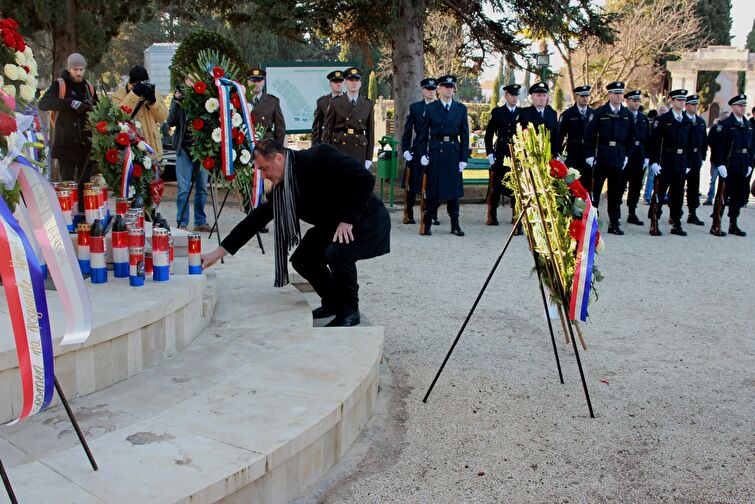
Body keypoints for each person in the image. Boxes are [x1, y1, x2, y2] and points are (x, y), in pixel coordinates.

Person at [200, 140, 391, 327]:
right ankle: (333, 303)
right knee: (304, 259)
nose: (264, 175)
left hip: (366, 219)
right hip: (334, 224)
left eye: (264, 168)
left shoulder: (320, 156)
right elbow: (254, 221)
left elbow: (365, 179)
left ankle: (350, 312)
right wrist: (217, 254)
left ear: (279, 158)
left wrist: (348, 220)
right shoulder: (283, 189)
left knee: (338, 252)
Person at [414, 75, 469, 237]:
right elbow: (423, 135)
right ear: (439, 89)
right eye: (445, 86)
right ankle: (428, 222)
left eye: (451, 86)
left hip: (453, 152)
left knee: (454, 192)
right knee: (433, 190)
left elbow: (465, 135)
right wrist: (423, 153)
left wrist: (463, 158)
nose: (449, 89)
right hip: (437, 152)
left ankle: (455, 224)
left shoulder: (460, 108)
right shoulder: (431, 108)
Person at [39, 52, 98, 188]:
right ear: (69, 69)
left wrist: (91, 107)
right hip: (66, 144)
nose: (78, 73)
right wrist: (70, 103)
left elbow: (98, 108)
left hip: (86, 146)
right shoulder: (59, 85)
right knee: (67, 185)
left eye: (81, 69)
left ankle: (83, 209)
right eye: (75, 69)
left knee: (85, 186)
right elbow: (44, 103)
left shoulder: (88, 87)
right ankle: (69, 209)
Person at [583, 81, 635, 235]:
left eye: (621, 93)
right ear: (609, 95)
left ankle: (614, 222)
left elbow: (631, 139)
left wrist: (626, 155)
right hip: (602, 155)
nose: (619, 96)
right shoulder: (599, 113)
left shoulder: (627, 115)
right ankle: (592, 220)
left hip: (618, 155)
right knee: (595, 190)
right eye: (615, 93)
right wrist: (589, 156)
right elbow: (589, 136)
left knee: (615, 192)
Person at [646, 89, 693, 236]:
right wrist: (654, 161)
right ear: (672, 101)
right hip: (665, 160)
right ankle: (655, 220)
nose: (682, 102)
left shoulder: (687, 121)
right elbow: (654, 142)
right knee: (660, 192)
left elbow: (690, 144)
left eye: (683, 100)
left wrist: (689, 163)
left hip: (681, 161)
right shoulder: (663, 120)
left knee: (678, 194)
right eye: (679, 99)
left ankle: (677, 222)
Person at [167, 79, 210, 231]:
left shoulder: (205, 97)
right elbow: (170, 121)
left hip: (201, 150)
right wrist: (177, 100)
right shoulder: (179, 99)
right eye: (188, 81)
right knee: (183, 188)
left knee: (202, 187)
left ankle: (200, 221)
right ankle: (182, 222)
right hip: (184, 149)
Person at [710, 94, 753, 236]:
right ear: (733, 107)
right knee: (723, 195)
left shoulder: (748, 125)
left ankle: (733, 223)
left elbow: (751, 147)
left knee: (739, 195)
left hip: (742, 163)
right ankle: (716, 223)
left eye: (744, 105)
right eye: (740, 105)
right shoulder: (726, 124)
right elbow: (718, 146)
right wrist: (720, 164)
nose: (742, 107)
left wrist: (749, 164)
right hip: (729, 164)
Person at [401, 77, 437, 225]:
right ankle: (408, 212)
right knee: (412, 182)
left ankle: (432, 213)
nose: (431, 92)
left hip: (435, 149)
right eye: (428, 89)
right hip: (418, 149)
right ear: (423, 91)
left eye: (433, 89)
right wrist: (406, 149)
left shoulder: (440, 107)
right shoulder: (416, 108)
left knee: (434, 183)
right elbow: (408, 131)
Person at [484, 83, 522, 226]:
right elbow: (488, 135)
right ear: (506, 96)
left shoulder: (521, 113)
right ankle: (492, 215)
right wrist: (490, 153)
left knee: (516, 185)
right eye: (512, 95)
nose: (514, 98)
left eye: (516, 95)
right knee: (497, 185)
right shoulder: (498, 112)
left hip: (516, 154)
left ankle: (515, 214)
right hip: (501, 152)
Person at [322, 67, 375, 167]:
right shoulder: (335, 103)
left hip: (359, 149)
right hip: (339, 147)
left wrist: (369, 157)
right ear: (345, 82)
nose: (354, 83)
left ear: (360, 83)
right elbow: (327, 131)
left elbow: (370, 133)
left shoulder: (367, 104)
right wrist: (325, 153)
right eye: (351, 80)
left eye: (357, 80)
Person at [112, 65, 167, 161]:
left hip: (154, 152)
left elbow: (163, 117)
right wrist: (133, 95)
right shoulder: (120, 94)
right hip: (132, 153)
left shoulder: (153, 92)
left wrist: (153, 102)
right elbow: (119, 116)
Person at [557, 85, 594, 193]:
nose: (585, 98)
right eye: (582, 96)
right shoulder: (568, 114)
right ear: (576, 97)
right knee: (572, 183)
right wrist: (559, 154)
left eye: (587, 96)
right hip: (573, 152)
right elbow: (560, 136)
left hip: (588, 154)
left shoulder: (593, 114)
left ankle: (587, 208)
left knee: (587, 184)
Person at [622, 89, 650, 226]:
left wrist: (647, 157)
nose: (637, 103)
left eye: (638, 100)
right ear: (627, 101)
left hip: (639, 155)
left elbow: (649, 139)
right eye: (634, 100)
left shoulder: (643, 118)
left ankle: (632, 213)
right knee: (620, 186)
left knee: (636, 186)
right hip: (626, 154)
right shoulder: (623, 115)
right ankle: (615, 214)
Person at [683, 94, 707, 225]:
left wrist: (703, 157)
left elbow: (704, 141)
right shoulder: (682, 119)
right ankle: (674, 213)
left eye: (696, 104)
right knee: (677, 187)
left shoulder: (700, 121)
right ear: (686, 106)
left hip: (695, 158)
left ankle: (692, 213)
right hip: (683, 157)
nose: (695, 107)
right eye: (692, 104)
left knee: (693, 187)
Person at [518, 82, 559, 159]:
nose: (542, 98)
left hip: (548, 155)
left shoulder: (552, 113)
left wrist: (555, 155)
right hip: (531, 156)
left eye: (544, 95)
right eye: (539, 95)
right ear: (532, 97)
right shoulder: (524, 113)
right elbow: (520, 137)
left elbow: (555, 136)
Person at [247, 68, 286, 144]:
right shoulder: (241, 100)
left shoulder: (273, 101)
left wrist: (276, 148)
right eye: (253, 81)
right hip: (246, 143)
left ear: (264, 82)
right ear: (248, 82)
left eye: (259, 81)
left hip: (266, 144)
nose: (257, 84)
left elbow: (280, 128)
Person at [644, 104, 669, 204]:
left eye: (664, 110)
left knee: (664, 178)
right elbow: (650, 140)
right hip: (654, 154)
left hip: (666, 156)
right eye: (661, 110)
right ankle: (648, 196)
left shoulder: (671, 121)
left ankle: (661, 195)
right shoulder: (654, 122)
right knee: (651, 177)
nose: (663, 112)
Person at [703, 110, 730, 205]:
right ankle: (710, 198)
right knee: (713, 180)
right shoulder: (715, 128)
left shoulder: (730, 128)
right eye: (726, 117)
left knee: (725, 181)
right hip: (715, 159)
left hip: (727, 159)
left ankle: (723, 198)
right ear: (721, 117)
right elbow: (710, 141)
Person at [311, 70, 344, 144]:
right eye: (335, 82)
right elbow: (316, 128)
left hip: (346, 144)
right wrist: (315, 149)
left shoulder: (350, 101)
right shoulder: (322, 102)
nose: (338, 84)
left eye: (340, 81)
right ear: (330, 84)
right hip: (329, 143)